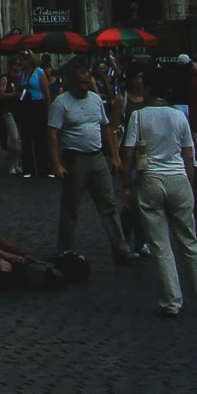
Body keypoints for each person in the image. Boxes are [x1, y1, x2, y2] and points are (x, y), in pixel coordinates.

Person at [121, 69, 197, 317]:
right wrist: (189, 184)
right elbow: (189, 156)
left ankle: (172, 302)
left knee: (160, 244)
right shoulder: (179, 117)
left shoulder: (138, 117)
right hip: (178, 179)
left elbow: (129, 154)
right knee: (190, 243)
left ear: (149, 90)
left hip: (150, 179)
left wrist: (126, 186)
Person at [46, 62, 131, 265]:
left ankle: (121, 248)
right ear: (71, 82)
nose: (83, 86)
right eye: (80, 83)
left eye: (86, 82)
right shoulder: (61, 103)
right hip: (75, 159)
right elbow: (52, 134)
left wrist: (114, 155)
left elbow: (105, 128)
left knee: (109, 204)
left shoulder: (95, 100)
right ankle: (66, 250)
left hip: (97, 156)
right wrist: (57, 163)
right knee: (71, 208)